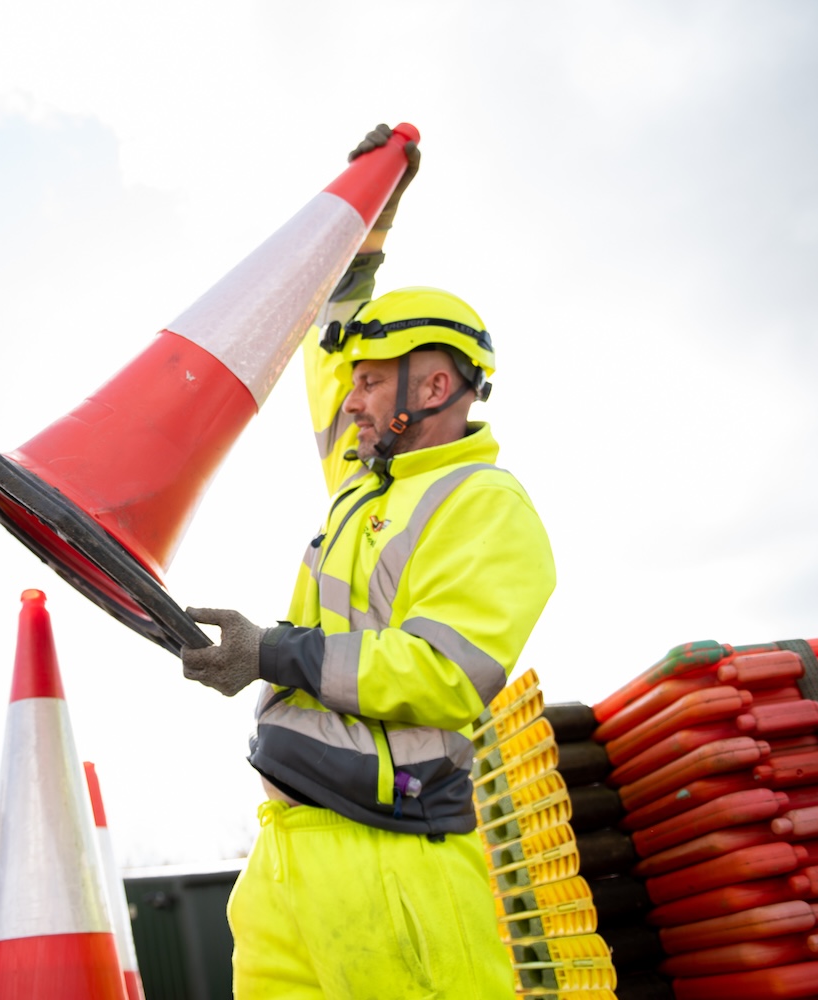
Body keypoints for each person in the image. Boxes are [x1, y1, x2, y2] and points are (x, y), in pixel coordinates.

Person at [181, 125, 556, 1000]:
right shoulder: (365, 483)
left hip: (397, 861)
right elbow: (331, 346)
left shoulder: (483, 505)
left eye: (370, 382)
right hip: (287, 852)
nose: (346, 401)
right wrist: (367, 232)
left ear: (433, 389)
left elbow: (443, 672)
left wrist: (270, 652)